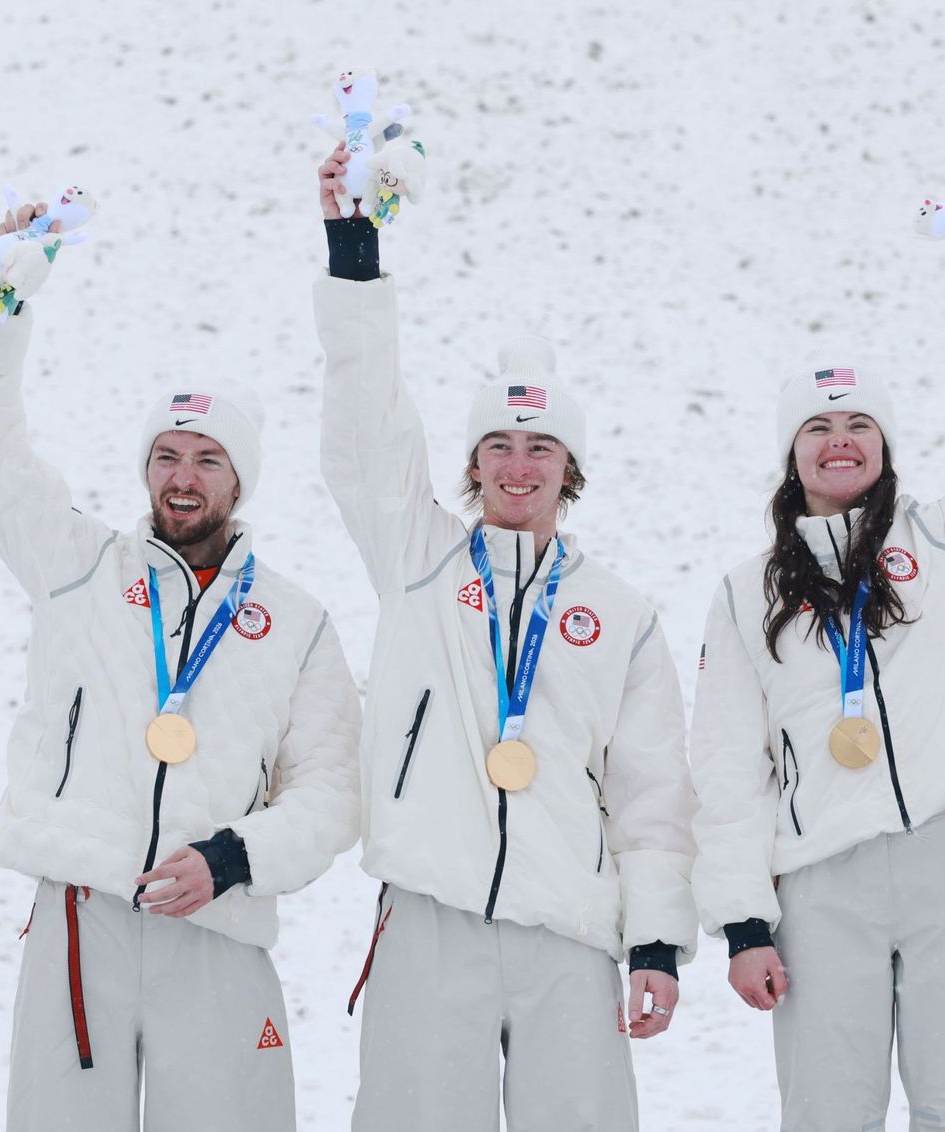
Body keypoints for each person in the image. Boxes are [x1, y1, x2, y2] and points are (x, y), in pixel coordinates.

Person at [0, 198, 361, 1131]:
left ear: (239, 480)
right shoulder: (78, 564)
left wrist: (235, 857)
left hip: (216, 926)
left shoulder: (294, 620)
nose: (183, 477)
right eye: (167, 455)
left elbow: (331, 794)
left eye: (207, 459)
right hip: (80, 921)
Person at [312, 145, 699, 1131]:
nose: (517, 466)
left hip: (569, 932)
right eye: (498, 445)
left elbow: (651, 797)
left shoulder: (618, 613)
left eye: (540, 448)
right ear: (471, 463)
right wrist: (355, 255)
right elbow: (366, 426)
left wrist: (653, 942)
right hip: (429, 915)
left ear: (569, 468)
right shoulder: (419, 560)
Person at [689, 214, 945, 1130]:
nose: (840, 440)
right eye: (819, 426)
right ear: (792, 453)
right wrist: (745, 922)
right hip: (821, 883)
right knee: (829, 1113)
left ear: (886, 443)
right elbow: (725, 771)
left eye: (860, 423)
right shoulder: (746, 592)